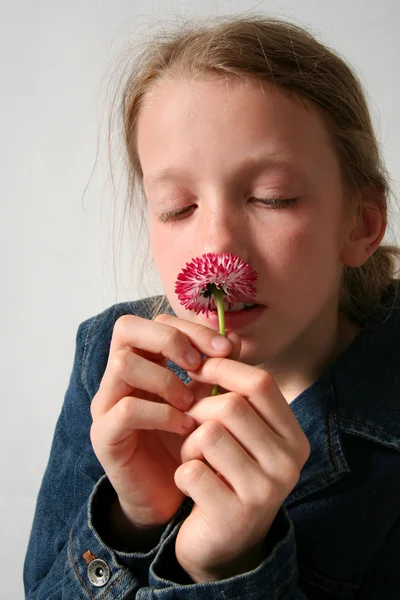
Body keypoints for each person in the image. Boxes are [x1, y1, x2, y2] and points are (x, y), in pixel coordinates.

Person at [24, 15, 400, 599]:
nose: (218, 246)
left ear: (362, 222)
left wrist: (226, 567)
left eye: (271, 198)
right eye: (176, 208)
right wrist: (133, 518)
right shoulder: (108, 361)